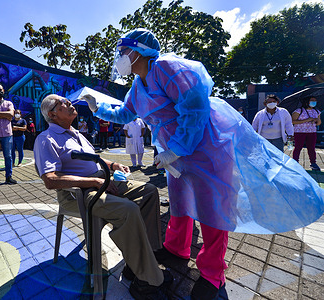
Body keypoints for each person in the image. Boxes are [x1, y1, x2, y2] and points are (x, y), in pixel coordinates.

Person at [81, 28, 324, 299]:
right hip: (176, 153)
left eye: (124, 50)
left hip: (205, 147)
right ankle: (176, 248)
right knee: (180, 201)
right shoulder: (137, 86)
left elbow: (195, 108)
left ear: (139, 50)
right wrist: (96, 107)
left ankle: (212, 272)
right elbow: (126, 113)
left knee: (213, 209)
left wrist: (176, 148)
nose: (121, 56)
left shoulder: (166, 68)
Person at [34, 94, 172, 299]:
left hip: (101, 181)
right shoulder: (46, 139)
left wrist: (113, 165)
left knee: (149, 192)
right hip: (79, 193)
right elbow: (51, 179)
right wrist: (94, 182)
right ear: (52, 114)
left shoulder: (77, 134)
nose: (69, 103)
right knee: (128, 210)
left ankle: (142, 260)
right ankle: (146, 281)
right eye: (62, 103)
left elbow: (95, 160)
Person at [292, 96, 322, 171]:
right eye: (312, 100)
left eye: (315, 100)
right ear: (306, 101)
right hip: (299, 132)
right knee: (298, 147)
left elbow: (318, 123)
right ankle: (295, 162)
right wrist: (306, 120)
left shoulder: (317, 111)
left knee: (311, 148)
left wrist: (317, 120)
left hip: (312, 132)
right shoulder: (299, 111)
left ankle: (313, 163)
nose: (314, 102)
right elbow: (293, 121)